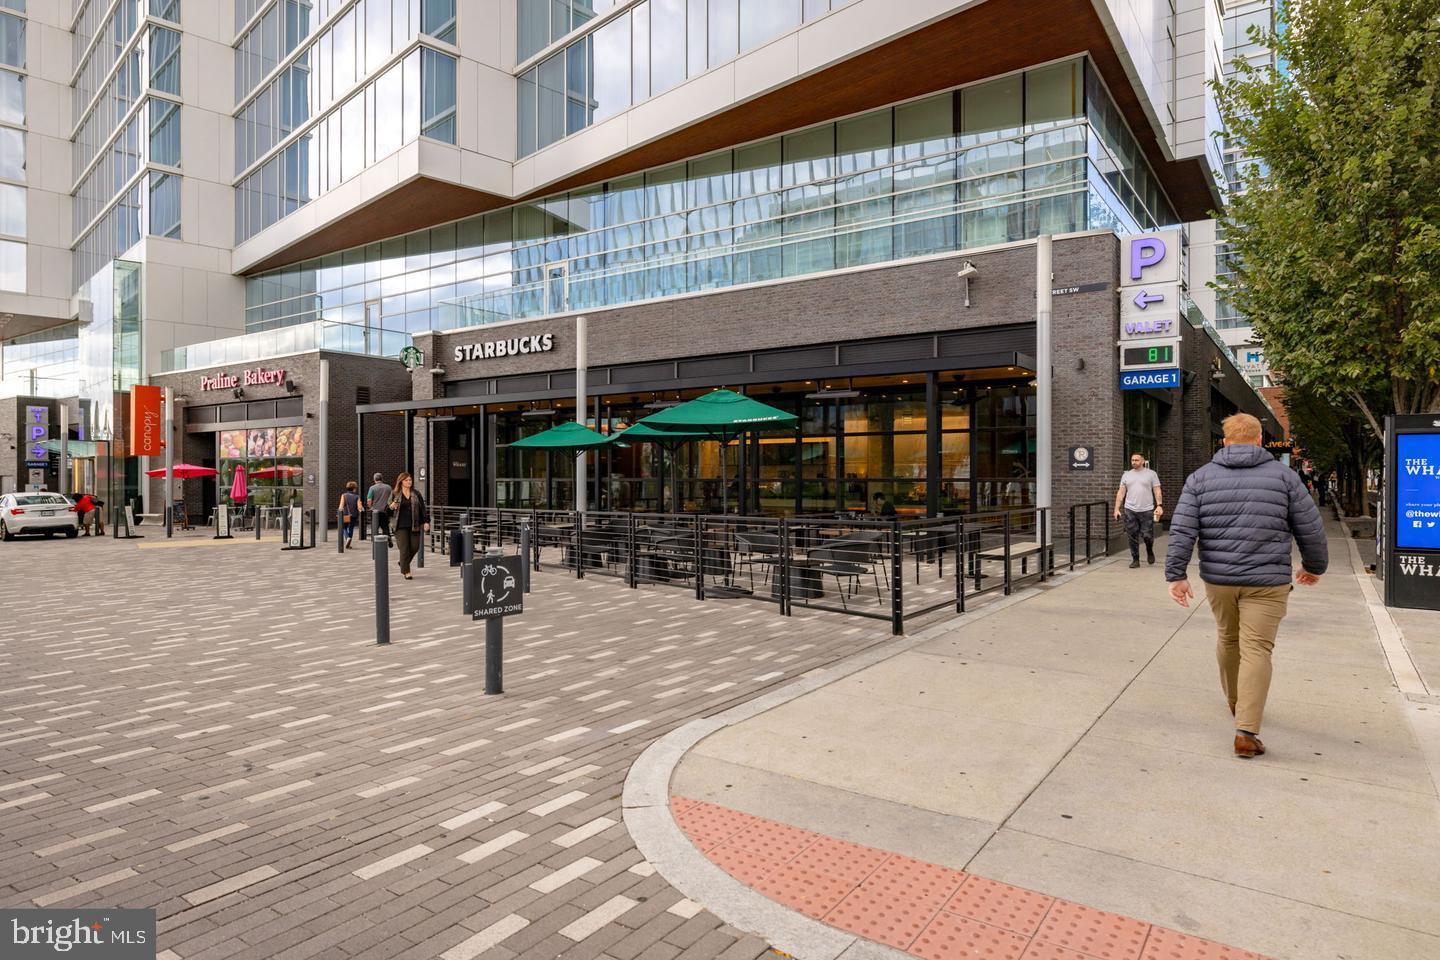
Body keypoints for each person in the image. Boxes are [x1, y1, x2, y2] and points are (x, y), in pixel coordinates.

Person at [1164, 413, 1328, 759]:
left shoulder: (1200, 479)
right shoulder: (1285, 478)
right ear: (1258, 441)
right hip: (1267, 581)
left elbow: (1182, 531)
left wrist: (1176, 575)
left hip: (1219, 580)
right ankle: (1247, 731)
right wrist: (1314, 567)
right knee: (1257, 649)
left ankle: (1236, 701)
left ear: (1224, 442)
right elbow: (1310, 528)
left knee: (1228, 637)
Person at [1114, 453, 1163, 568]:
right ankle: (1135, 559)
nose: (1134, 462)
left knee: (1147, 535)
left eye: (1136, 460)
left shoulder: (1151, 474)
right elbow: (1121, 493)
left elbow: (1157, 490)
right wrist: (1116, 509)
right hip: (1130, 509)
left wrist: (1159, 505)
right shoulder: (1126, 475)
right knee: (1132, 535)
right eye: (1132, 460)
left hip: (1147, 509)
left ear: (1142, 461)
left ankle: (1149, 550)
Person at [387, 472, 428, 579]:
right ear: (401, 482)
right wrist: (391, 506)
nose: (409, 482)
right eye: (406, 480)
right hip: (399, 526)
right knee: (404, 549)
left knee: (415, 547)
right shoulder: (394, 493)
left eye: (410, 480)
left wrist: (426, 522)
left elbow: (423, 509)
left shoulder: (416, 493)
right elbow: (387, 511)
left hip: (415, 524)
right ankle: (407, 572)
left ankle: (403, 563)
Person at [366, 472, 392, 537]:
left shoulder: (372, 488)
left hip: (375, 511)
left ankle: (375, 541)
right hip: (385, 510)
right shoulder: (388, 487)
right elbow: (392, 498)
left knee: (375, 527)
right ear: (382, 479)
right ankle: (387, 537)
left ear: (374, 479)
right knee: (385, 526)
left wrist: (370, 507)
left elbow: (369, 500)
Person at [337, 480, 361, 550]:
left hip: (345, 514)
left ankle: (347, 538)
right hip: (353, 515)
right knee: (351, 528)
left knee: (344, 527)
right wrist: (361, 508)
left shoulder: (344, 495)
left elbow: (341, 506)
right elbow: (359, 507)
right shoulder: (357, 497)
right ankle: (349, 541)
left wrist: (339, 513)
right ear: (354, 488)